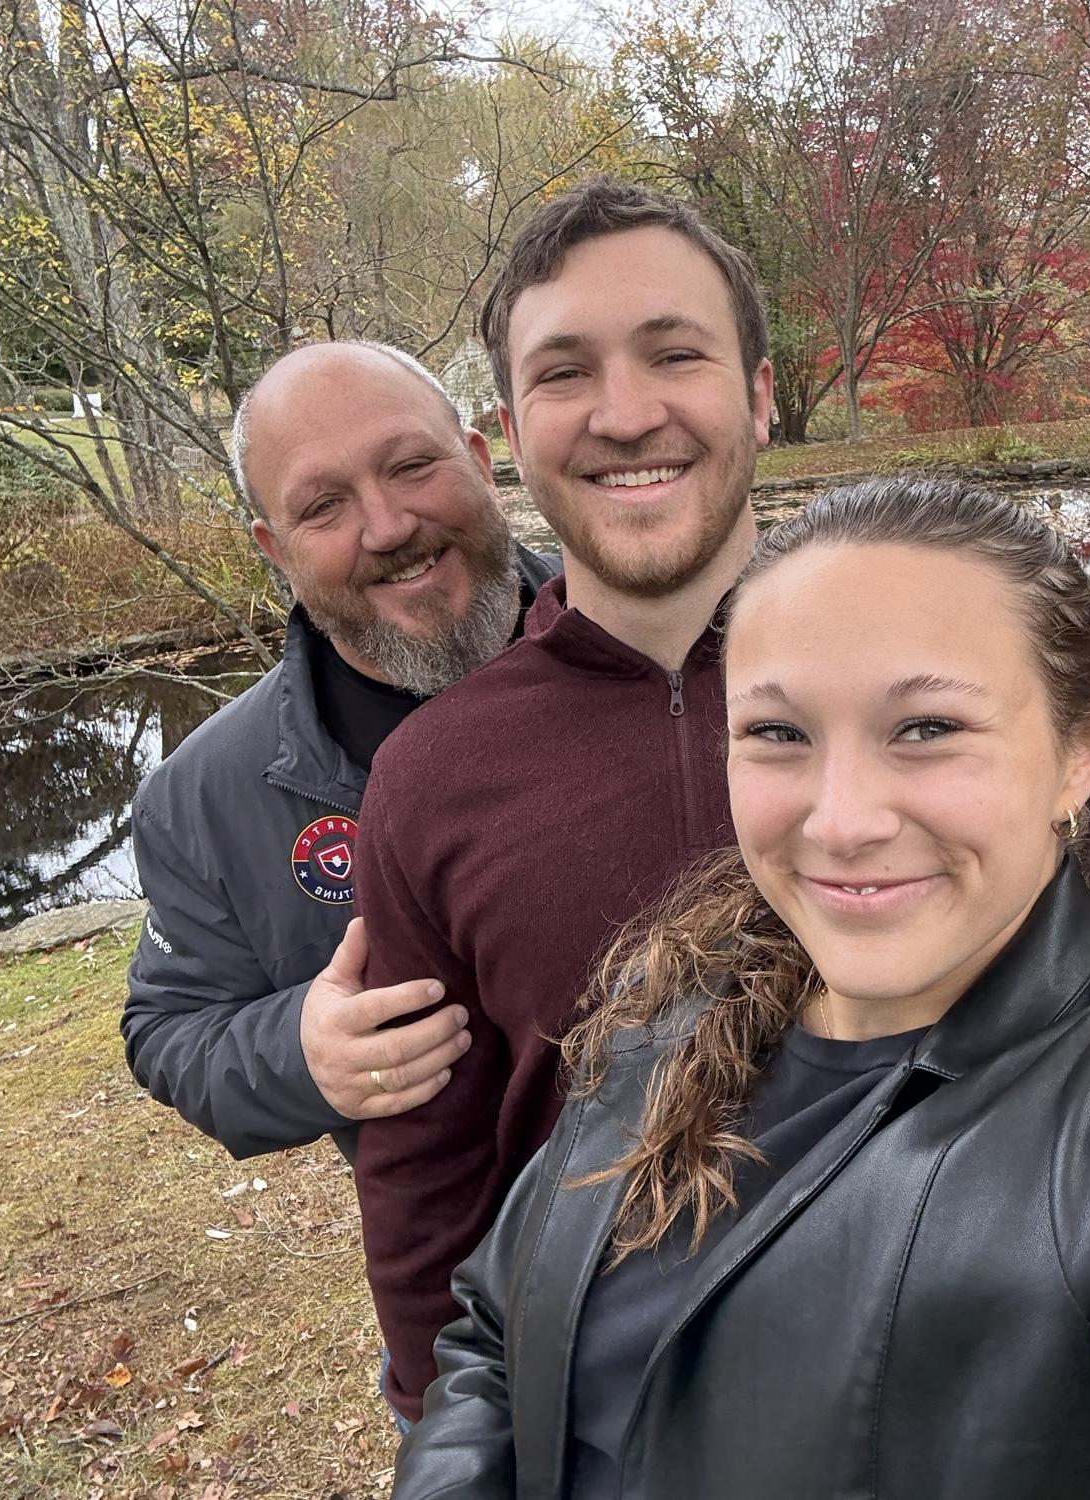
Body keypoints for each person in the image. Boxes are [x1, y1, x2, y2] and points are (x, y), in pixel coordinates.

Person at [391, 475, 1090, 1500]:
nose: (842, 819)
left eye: (928, 729)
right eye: (779, 734)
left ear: (1081, 751)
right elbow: (498, 1319)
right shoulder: (678, 999)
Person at [354, 177, 774, 1422]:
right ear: (512, 430)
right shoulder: (433, 778)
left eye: (675, 353)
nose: (625, 413)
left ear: (758, 390)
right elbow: (427, 1169)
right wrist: (451, 1435)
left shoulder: (947, 678)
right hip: (605, 1423)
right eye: (565, 373)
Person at [122, 341, 558, 1164]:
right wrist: (300, 1052)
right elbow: (169, 1027)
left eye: (411, 465)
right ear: (275, 549)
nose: (389, 526)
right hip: (472, 1251)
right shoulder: (203, 799)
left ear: (479, 459)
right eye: (323, 506)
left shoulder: (659, 643)